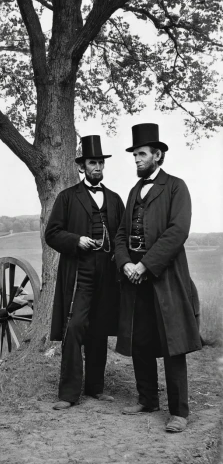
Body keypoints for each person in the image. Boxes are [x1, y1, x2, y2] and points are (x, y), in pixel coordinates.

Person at [114, 123, 202, 433]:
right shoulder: (134, 191)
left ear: (158, 155)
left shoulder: (176, 187)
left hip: (165, 277)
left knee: (172, 343)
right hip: (135, 279)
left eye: (141, 154)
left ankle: (179, 412)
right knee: (140, 340)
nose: (136, 159)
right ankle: (147, 399)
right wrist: (126, 263)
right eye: (135, 155)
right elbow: (123, 233)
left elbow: (177, 232)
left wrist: (145, 265)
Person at [45, 135, 125, 410]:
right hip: (80, 271)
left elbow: (122, 237)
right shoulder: (67, 198)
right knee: (75, 327)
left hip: (107, 272)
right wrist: (76, 241)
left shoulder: (114, 200)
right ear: (82, 167)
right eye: (92, 163)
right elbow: (52, 234)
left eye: (100, 162)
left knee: (100, 328)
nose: (97, 167)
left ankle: (95, 387)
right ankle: (68, 394)